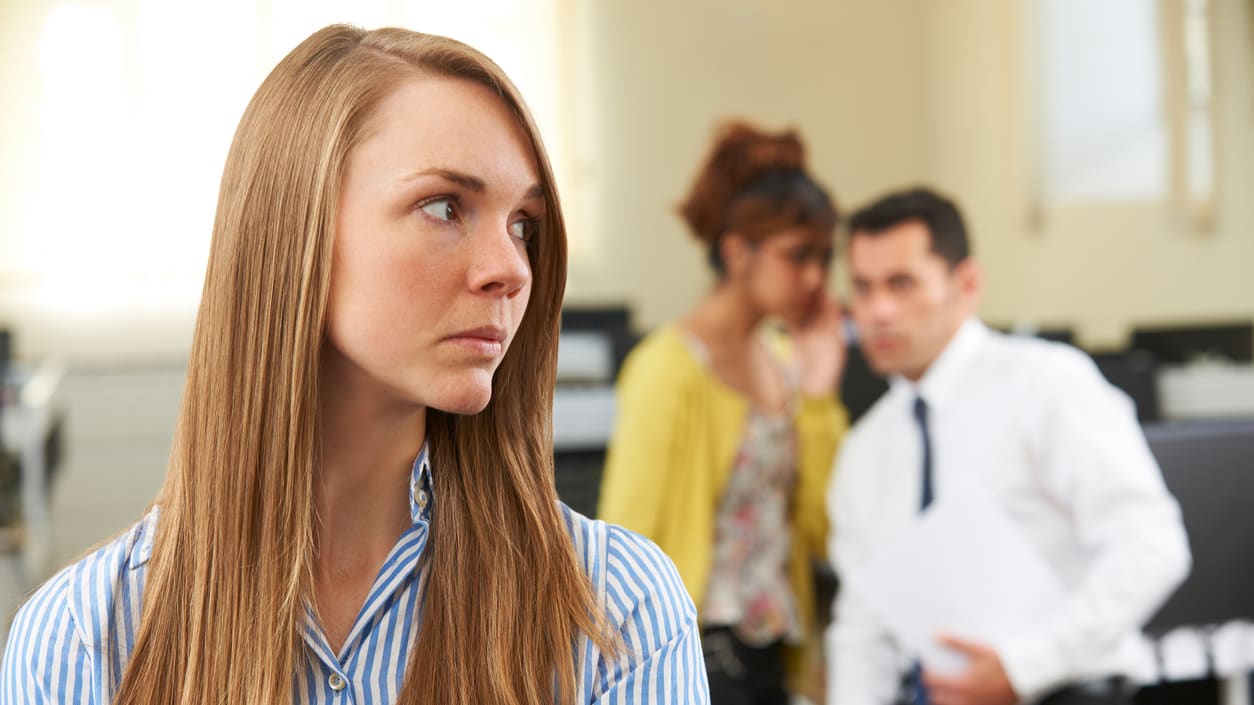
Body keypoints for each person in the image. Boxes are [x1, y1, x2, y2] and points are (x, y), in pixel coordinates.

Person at [0, 24, 708, 705]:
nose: (511, 269)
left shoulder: (616, 612)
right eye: (444, 206)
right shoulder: (83, 641)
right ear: (293, 231)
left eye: (523, 224)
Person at [824, 187, 1191, 705]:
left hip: (1068, 691)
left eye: (902, 284)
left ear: (967, 284)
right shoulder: (863, 451)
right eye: (862, 289)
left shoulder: (1046, 383)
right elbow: (862, 629)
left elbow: (1152, 546)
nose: (879, 310)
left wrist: (1024, 667)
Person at [598, 121, 849, 704]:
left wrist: (818, 396)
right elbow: (624, 539)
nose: (816, 277)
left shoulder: (787, 364)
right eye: (798, 255)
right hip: (691, 652)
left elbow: (823, 528)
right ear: (738, 252)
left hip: (773, 649)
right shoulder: (668, 369)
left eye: (824, 257)